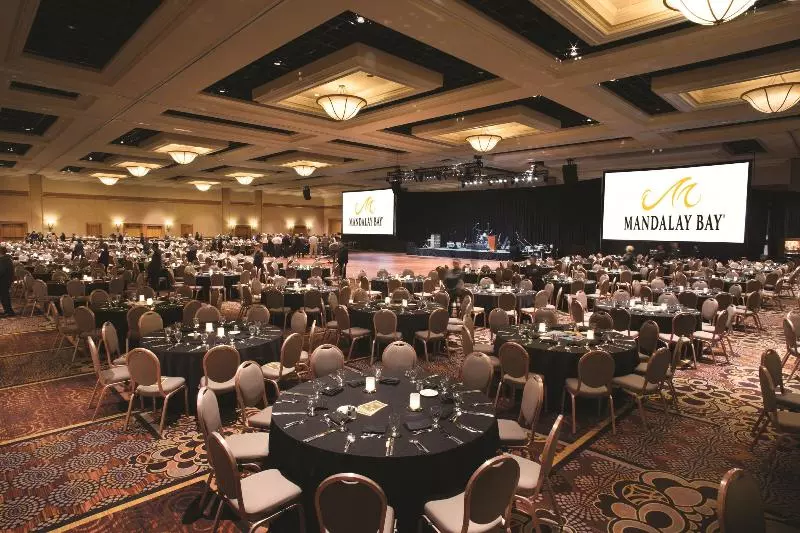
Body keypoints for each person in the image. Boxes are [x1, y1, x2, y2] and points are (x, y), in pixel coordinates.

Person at [0, 246, 15, 316]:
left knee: (4, 297)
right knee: (4, 296)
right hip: (7, 280)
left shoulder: (3, 260)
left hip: (4, 280)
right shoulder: (7, 258)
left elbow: (1, 271)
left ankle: (9, 312)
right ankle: (7, 311)